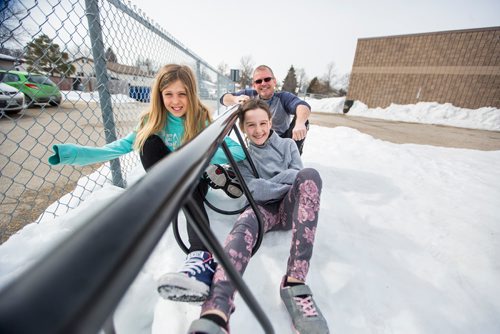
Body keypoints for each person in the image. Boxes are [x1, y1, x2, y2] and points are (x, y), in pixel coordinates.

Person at [47, 64, 245, 303]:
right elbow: (116, 148)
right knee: (148, 142)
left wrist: (199, 153)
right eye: (169, 94)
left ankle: (200, 259)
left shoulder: (200, 119)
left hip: (193, 179)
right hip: (165, 179)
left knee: (189, 186)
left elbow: (237, 151)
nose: (176, 101)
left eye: (182, 94)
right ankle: (164, 195)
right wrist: (72, 154)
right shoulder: (151, 122)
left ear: (191, 95)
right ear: (159, 96)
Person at [187, 99, 329, 334]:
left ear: (271, 122)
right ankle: (217, 308)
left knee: (310, 175)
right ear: (243, 128)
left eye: (263, 123)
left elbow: (299, 177)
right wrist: (283, 180)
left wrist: (271, 184)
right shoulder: (241, 156)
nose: (259, 130)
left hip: (289, 207)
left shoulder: (287, 146)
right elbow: (254, 190)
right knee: (242, 227)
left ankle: (295, 283)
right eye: (251, 125)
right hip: (259, 208)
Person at [220, 65, 311, 154]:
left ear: (274, 81)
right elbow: (223, 99)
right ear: (254, 85)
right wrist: (235, 99)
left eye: (267, 79)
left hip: (280, 140)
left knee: (303, 120)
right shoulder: (248, 95)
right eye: (259, 81)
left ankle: (292, 156)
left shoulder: (284, 97)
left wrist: (299, 123)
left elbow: (303, 106)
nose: (263, 83)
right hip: (258, 138)